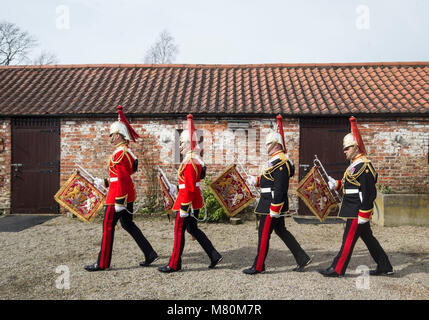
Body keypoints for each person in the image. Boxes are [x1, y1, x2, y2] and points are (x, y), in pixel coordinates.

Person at [84, 106, 158, 272]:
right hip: (123, 193)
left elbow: (123, 178)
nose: (110, 137)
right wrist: (103, 181)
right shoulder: (126, 152)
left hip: (118, 197)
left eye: (112, 134)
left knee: (108, 227)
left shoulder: (120, 154)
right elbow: (119, 177)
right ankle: (149, 252)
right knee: (128, 224)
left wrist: (118, 200)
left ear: (118, 135)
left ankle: (102, 263)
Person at [318, 117, 393, 277]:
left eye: (347, 148)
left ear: (356, 147)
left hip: (357, 210)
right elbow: (351, 185)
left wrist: (364, 214)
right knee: (369, 239)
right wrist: (337, 184)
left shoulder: (364, 165)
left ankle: (337, 269)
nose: (344, 151)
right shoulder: (355, 165)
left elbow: (368, 192)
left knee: (348, 241)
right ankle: (384, 265)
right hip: (353, 208)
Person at [158, 114, 222, 273]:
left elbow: (189, 187)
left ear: (189, 144)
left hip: (187, 203)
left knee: (179, 231)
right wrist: (175, 188)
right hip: (192, 201)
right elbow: (188, 184)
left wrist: (184, 207)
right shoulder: (195, 160)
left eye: (182, 144)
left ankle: (174, 264)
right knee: (193, 230)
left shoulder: (189, 162)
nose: (179, 147)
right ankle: (213, 254)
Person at [243, 130, 311, 275]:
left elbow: (280, 187)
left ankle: (258, 266)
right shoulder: (274, 161)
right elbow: (268, 180)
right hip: (269, 201)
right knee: (281, 231)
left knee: (263, 234)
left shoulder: (281, 162)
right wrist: (255, 181)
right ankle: (302, 257)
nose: (266, 146)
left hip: (272, 204)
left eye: (268, 144)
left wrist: (275, 207)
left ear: (276, 145)